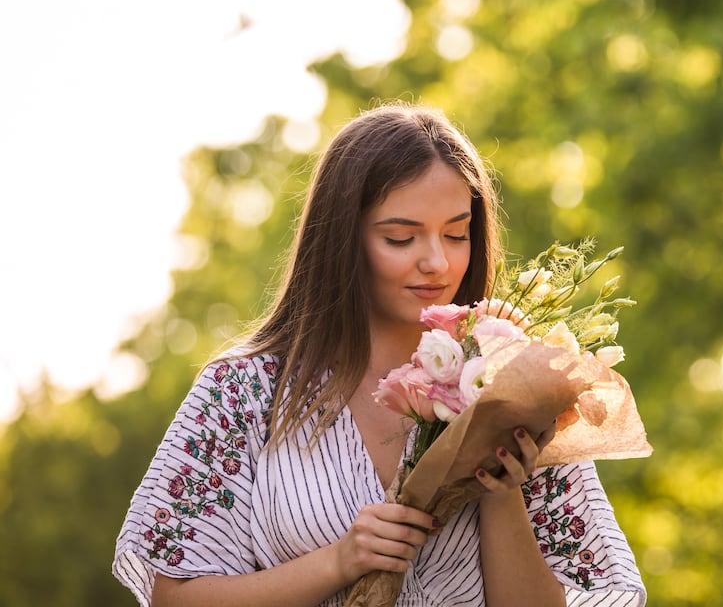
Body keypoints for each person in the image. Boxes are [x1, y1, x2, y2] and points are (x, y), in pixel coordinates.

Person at [113, 104, 646, 606]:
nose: (437, 262)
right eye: (400, 238)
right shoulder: (246, 391)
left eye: (457, 234)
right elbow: (174, 597)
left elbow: (590, 591)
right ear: (344, 239)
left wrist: (502, 494)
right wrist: (341, 560)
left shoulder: (511, 383)